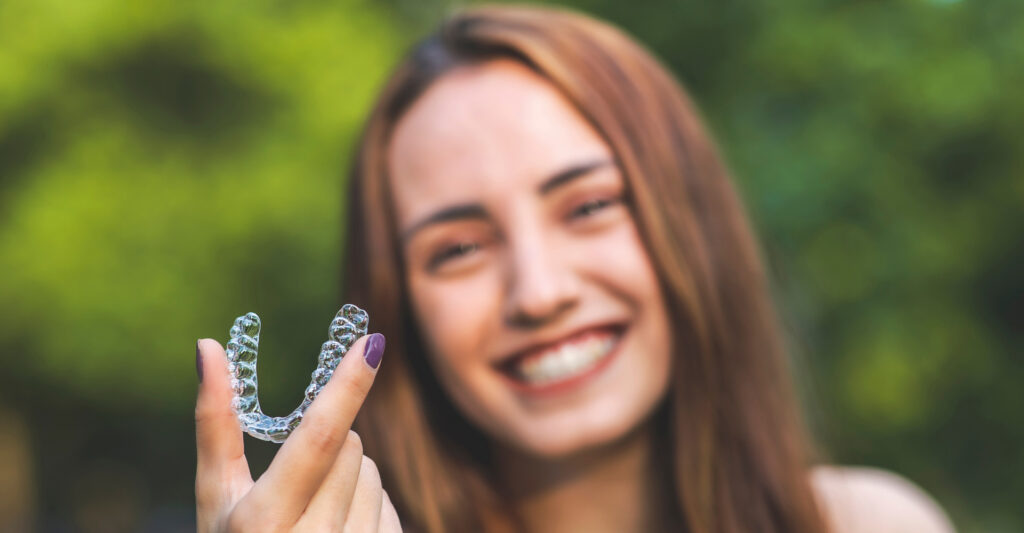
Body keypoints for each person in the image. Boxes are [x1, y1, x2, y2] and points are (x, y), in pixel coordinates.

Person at [194, 5, 956, 532]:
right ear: (401, 307)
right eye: (457, 248)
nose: (541, 291)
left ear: (693, 223)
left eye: (589, 206)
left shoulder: (871, 522)